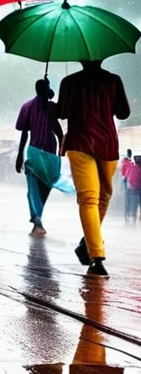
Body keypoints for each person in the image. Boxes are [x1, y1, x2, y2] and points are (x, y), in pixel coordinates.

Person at [57, 59, 131, 278]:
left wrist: (52, 101)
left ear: (81, 58)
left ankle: (91, 248)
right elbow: (124, 113)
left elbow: (61, 113)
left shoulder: (69, 81)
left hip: (79, 143)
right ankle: (95, 253)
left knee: (89, 198)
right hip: (107, 144)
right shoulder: (113, 80)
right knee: (103, 196)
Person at [15, 78, 64, 234]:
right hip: (38, 153)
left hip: (46, 154)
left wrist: (60, 152)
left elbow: (59, 131)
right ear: (40, 90)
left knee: (43, 187)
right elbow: (24, 131)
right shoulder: (29, 107)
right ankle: (37, 218)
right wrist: (19, 155)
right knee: (35, 188)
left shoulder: (51, 108)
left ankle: (37, 217)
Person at [126, 154, 141, 222]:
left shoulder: (132, 167)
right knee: (136, 202)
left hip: (133, 188)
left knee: (134, 203)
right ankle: (135, 215)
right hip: (136, 188)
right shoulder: (136, 168)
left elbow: (127, 176)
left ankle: (133, 215)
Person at [120, 148, 135, 216]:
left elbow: (123, 172)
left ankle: (128, 212)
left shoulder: (127, 162)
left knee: (128, 196)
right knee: (129, 197)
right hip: (127, 180)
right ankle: (128, 212)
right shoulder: (128, 162)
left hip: (126, 179)